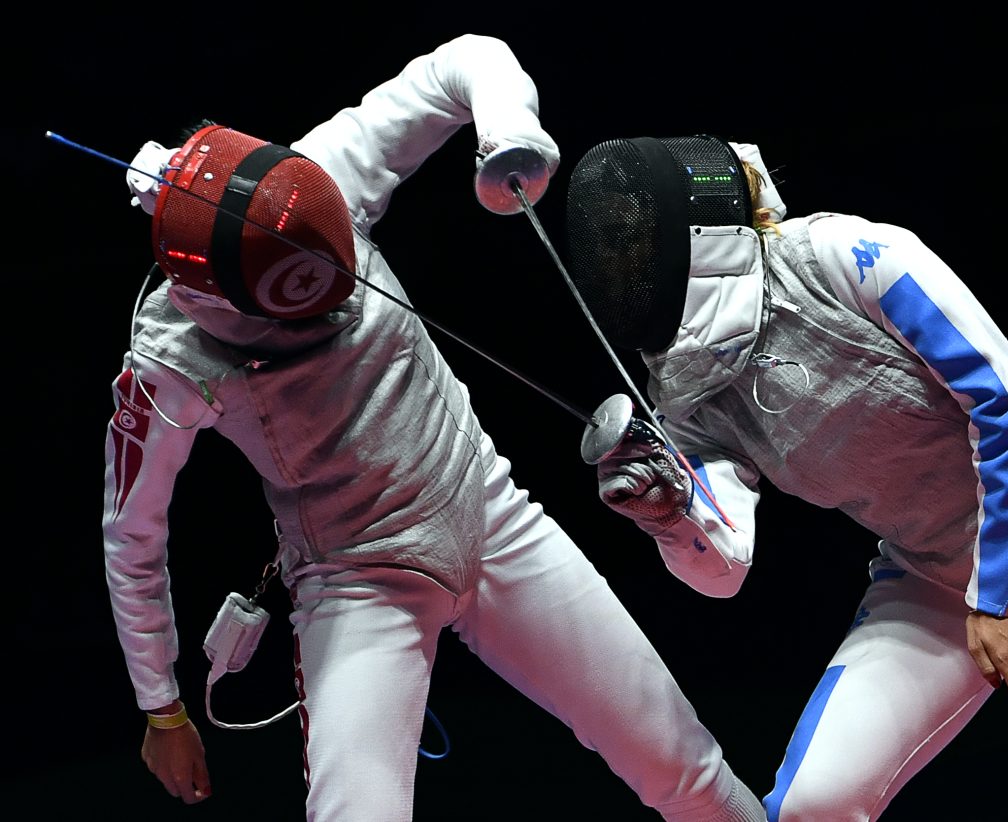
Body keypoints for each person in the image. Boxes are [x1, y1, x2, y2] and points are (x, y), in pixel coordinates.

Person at [101, 38, 769, 822]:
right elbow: (131, 536)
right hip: (359, 583)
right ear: (215, 302)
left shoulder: (324, 175)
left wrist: (510, 132)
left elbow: (465, 61)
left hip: (488, 511)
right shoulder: (171, 362)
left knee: (687, 772)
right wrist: (162, 707)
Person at [562, 134, 1008, 820]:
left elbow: (1005, 397)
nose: (620, 260)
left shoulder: (843, 256)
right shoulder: (686, 396)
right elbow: (723, 570)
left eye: (634, 236)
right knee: (813, 807)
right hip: (937, 573)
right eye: (611, 245)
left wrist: (997, 601)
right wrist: (668, 513)